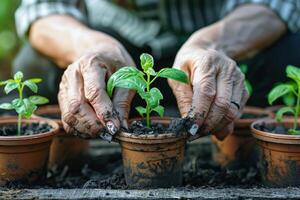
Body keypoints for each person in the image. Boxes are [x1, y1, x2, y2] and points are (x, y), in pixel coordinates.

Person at [12, 0, 300, 141]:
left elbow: (279, 3)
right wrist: (91, 45)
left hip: (212, 43)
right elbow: (42, 10)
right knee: (34, 64)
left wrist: (214, 43)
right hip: (116, 44)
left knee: (289, 54)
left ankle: (249, 143)